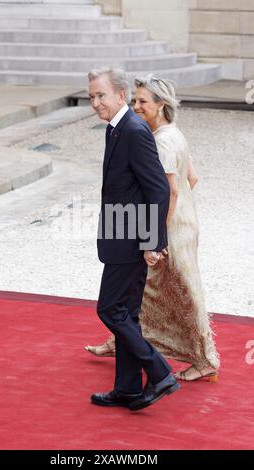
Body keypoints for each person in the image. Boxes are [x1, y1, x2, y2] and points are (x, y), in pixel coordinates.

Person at [86, 74, 220, 382]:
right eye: (136, 100)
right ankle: (130, 365)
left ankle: (167, 364)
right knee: (160, 296)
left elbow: (166, 191)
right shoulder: (172, 134)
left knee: (154, 298)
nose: (137, 106)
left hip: (166, 228)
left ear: (161, 105)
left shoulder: (159, 140)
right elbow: (192, 178)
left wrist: (153, 238)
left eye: (142, 101)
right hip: (181, 224)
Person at [88, 67, 179, 411]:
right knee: (127, 312)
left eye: (101, 95)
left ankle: (159, 372)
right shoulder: (116, 129)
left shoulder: (134, 130)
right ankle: (127, 388)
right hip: (121, 234)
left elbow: (157, 188)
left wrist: (152, 242)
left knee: (109, 309)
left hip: (129, 238)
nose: (95, 102)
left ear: (121, 95)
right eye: (92, 96)